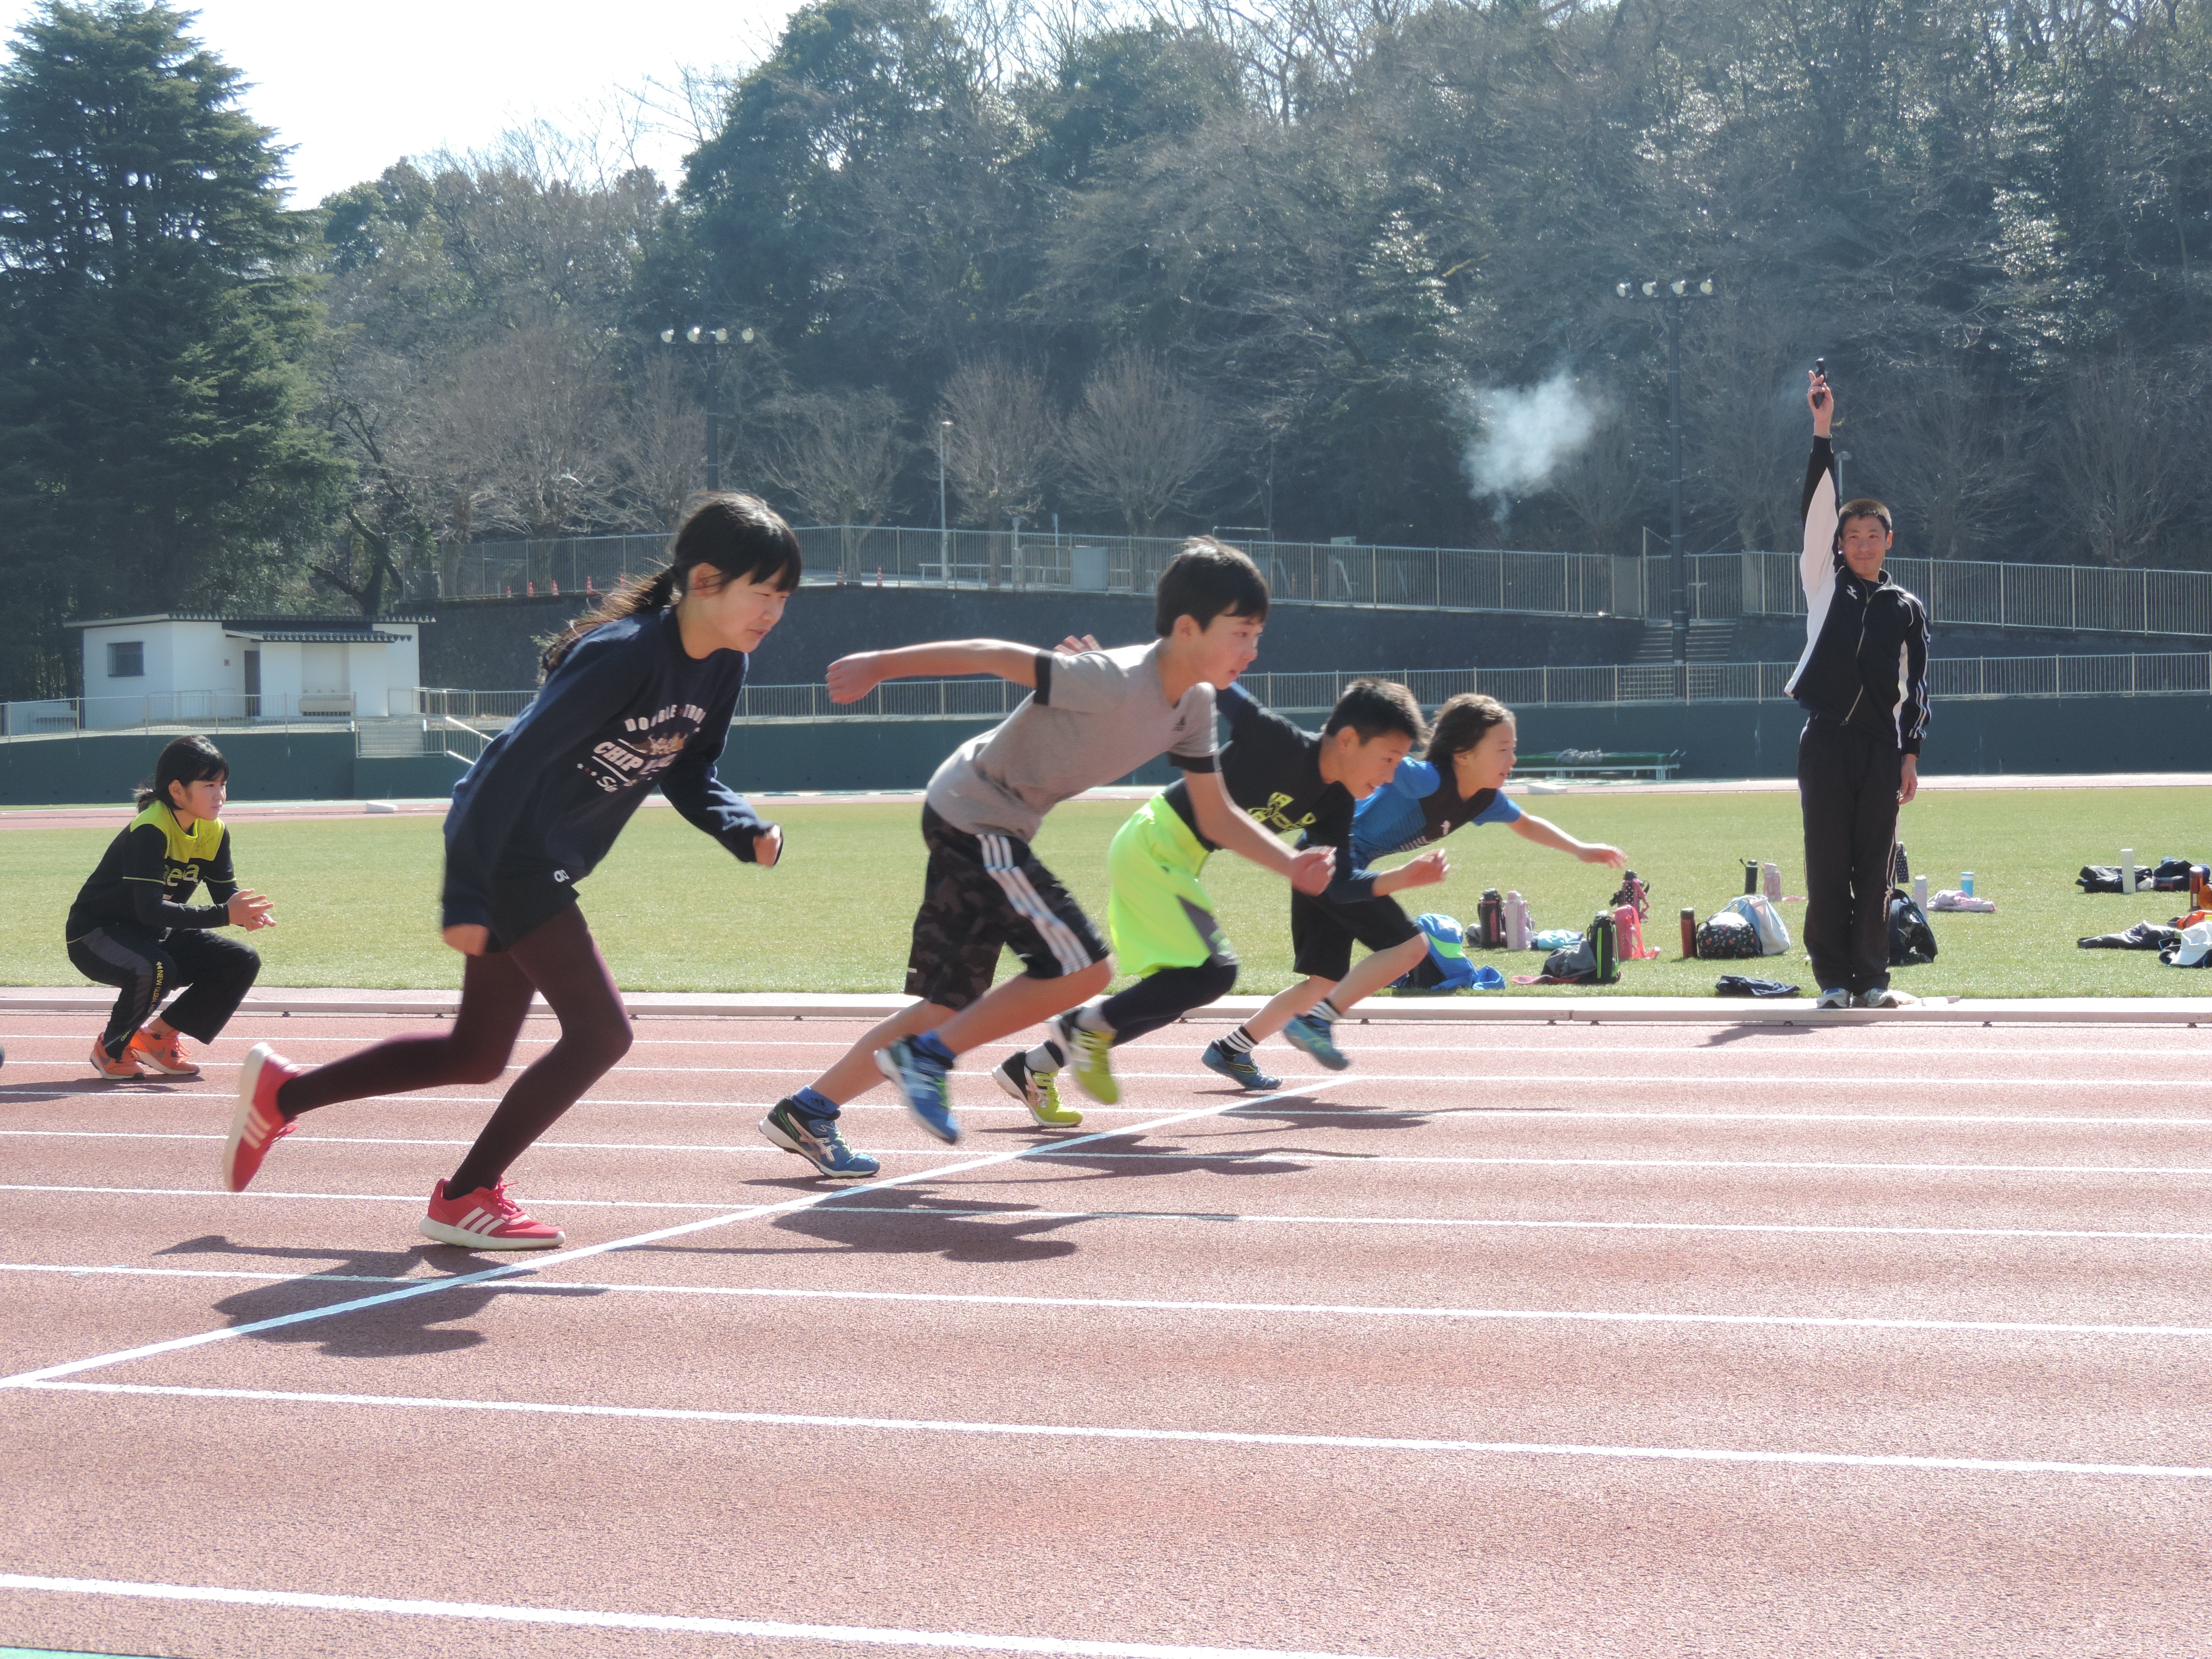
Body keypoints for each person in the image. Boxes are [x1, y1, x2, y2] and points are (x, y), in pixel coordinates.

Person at [220, 494, 799, 1248]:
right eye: (765, 591)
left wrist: (739, 825)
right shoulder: (625, 654)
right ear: (706, 579)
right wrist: (465, 893)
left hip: (541, 862)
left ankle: (284, 1094)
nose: (775, 611)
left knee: (476, 1052)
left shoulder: (724, 666)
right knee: (600, 1034)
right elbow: (496, 771)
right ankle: (466, 1194)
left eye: (786, 596)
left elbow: (692, 768)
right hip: (511, 858)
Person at [758, 538, 1334, 1171]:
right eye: (1243, 633)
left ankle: (809, 1109)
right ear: (1188, 627)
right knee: (1083, 969)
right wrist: (881, 665)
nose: (1253, 650)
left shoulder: (1194, 706)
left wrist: (1291, 864)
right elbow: (993, 654)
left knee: (944, 1005)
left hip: (980, 819)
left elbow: (1217, 812)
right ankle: (926, 1058)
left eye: (1259, 635)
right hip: (978, 816)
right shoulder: (1110, 678)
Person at [997, 676, 1428, 1106]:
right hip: (1154, 840)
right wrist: (1107, 678)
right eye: (1388, 759)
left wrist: (1400, 878)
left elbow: (1341, 884)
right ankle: (1084, 1026)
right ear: (1349, 739)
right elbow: (1203, 678)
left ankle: (1034, 1065)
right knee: (1214, 974)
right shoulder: (1279, 740)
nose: (1390, 776)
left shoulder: (1336, 802)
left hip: (1177, 858)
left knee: (1173, 997)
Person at [1224, 691, 1627, 1072]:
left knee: (1323, 982)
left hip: (1329, 862)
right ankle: (1317, 1023)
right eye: (1503, 749)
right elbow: (1378, 755)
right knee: (1409, 947)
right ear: (1464, 754)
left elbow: (1526, 824)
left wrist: (1580, 849)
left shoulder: (1485, 798)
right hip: (1330, 860)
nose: (1513, 759)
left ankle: (1231, 1050)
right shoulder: (1426, 780)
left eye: (1514, 748)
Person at [1792, 367, 1931, 1009]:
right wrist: (1822, 429)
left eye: (1875, 536)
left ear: (1889, 541)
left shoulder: (1905, 606)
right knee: (1826, 864)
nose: (1864, 544)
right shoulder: (1825, 585)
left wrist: (1910, 755)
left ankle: (1873, 979)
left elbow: (1917, 688)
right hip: (1825, 740)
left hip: (1880, 748)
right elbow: (1818, 508)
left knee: (1875, 867)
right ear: (1840, 547)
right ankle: (1833, 982)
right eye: (1853, 537)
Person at [66, 735, 274, 1079]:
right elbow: (149, 909)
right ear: (177, 791)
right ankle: (112, 1048)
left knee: (241, 961)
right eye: (209, 785)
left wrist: (245, 912)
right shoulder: (151, 829)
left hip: (151, 932)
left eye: (223, 785)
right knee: (156, 968)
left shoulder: (214, 832)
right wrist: (226, 914)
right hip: (95, 935)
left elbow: (225, 892)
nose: (220, 795)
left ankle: (158, 1039)